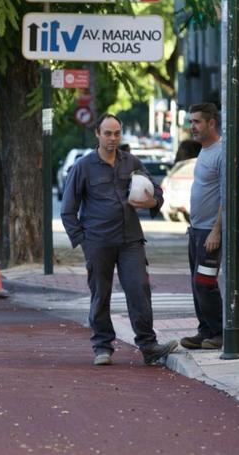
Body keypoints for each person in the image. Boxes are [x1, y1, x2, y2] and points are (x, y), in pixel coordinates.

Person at [60, 113, 178, 366]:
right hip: (98, 242)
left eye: (116, 133)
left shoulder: (131, 162)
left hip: (131, 241)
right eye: (108, 133)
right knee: (100, 294)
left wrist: (152, 201)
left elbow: (156, 190)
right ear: (98, 135)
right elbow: (68, 209)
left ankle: (148, 346)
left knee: (139, 289)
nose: (113, 138)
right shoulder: (83, 166)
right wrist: (83, 241)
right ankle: (102, 346)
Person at [180, 103, 224, 350]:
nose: (192, 127)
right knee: (196, 283)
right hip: (196, 230)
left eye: (197, 122)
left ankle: (219, 333)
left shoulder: (221, 152)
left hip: (210, 232)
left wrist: (216, 231)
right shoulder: (204, 151)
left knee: (204, 283)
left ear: (211, 123)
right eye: (191, 122)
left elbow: (227, 196)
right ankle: (205, 330)